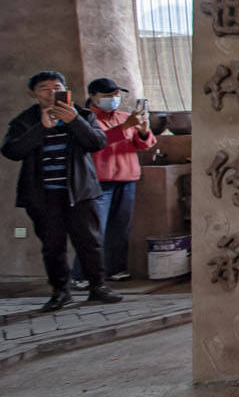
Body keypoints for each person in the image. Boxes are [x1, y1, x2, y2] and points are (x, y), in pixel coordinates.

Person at [2, 71, 123, 312]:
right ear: (33, 94)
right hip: (42, 196)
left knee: (89, 242)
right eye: (44, 88)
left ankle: (98, 287)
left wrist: (74, 121)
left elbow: (97, 143)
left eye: (56, 86)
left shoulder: (82, 114)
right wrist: (41, 128)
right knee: (52, 245)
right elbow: (11, 151)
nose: (50, 92)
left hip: (79, 192)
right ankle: (61, 292)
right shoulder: (25, 120)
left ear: (65, 89)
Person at [69, 78, 155, 287]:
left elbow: (144, 144)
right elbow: (97, 142)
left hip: (127, 179)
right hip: (100, 181)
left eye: (116, 95)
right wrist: (125, 127)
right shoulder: (85, 119)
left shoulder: (125, 117)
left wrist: (143, 130)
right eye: (108, 95)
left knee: (120, 228)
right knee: (94, 230)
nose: (114, 99)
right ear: (93, 96)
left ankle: (115, 269)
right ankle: (81, 275)